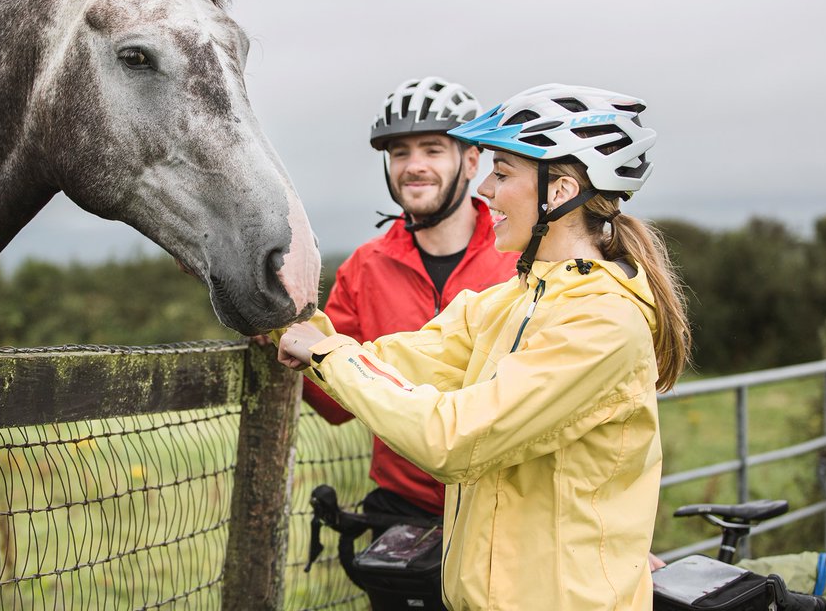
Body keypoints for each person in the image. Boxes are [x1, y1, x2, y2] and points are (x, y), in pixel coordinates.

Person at [276, 83, 692, 611]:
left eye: (502, 173)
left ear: (560, 192)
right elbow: (390, 358)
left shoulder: (602, 322)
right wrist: (273, 303)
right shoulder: (511, 299)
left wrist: (327, 353)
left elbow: (452, 439)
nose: (487, 191)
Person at [303, 76, 517, 528]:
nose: (413, 165)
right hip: (403, 511)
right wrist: (280, 329)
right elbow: (334, 405)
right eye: (400, 152)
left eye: (433, 149)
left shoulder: (521, 259)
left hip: (507, 510)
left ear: (471, 160)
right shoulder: (365, 267)